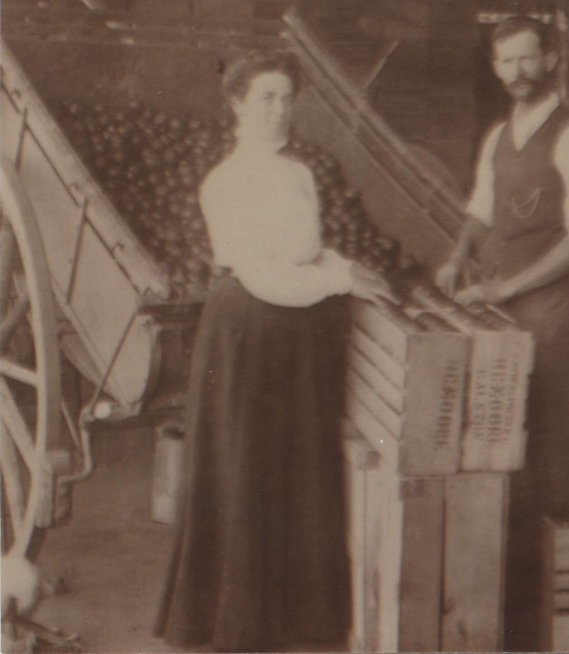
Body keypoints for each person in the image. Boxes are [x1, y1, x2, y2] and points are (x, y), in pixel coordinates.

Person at [154, 50, 397, 653]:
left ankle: (298, 619)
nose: (279, 109)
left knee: (294, 466)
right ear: (236, 102)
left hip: (295, 333)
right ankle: (240, 625)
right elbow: (263, 273)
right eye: (265, 97)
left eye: (287, 98)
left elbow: (303, 253)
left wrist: (345, 265)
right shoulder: (226, 182)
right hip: (248, 331)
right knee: (247, 468)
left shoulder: (297, 173)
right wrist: (339, 279)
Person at [434, 15, 569, 650]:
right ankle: (504, 602)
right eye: (506, 61)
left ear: (553, 59)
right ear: (494, 67)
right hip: (507, 310)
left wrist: (507, 287)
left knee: (550, 454)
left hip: (557, 313)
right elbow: (481, 210)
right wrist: (459, 254)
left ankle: (543, 619)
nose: (517, 72)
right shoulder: (498, 135)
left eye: (528, 58)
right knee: (505, 445)